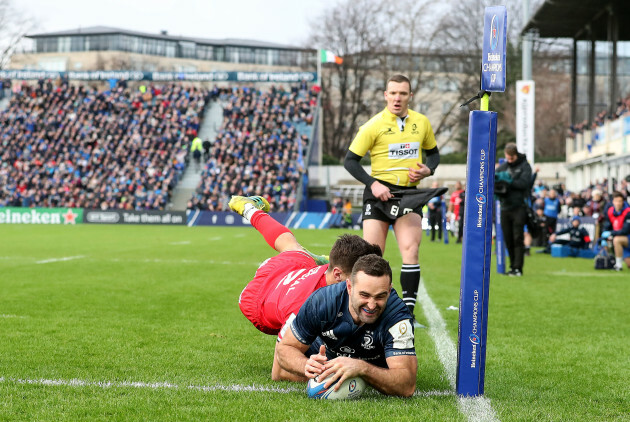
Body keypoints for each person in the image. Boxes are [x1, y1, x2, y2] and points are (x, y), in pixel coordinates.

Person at [227, 195, 383, 374]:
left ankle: (248, 208)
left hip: (293, 271)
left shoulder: (335, 279)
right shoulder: (304, 306)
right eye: (356, 278)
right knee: (318, 340)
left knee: (294, 249)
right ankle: (249, 209)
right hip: (257, 299)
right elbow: (279, 371)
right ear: (339, 275)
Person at [343, 74, 443, 324]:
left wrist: (428, 170)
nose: (398, 98)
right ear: (385, 95)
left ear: (410, 95)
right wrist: (372, 183)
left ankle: (408, 315)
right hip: (378, 194)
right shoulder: (373, 125)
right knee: (372, 257)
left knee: (411, 249)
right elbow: (350, 161)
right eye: (393, 93)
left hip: (409, 193)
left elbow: (433, 155)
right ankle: (361, 311)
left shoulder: (422, 122)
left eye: (403, 93)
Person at [275, 254, 417, 397]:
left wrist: (362, 368)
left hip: (373, 366)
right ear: (349, 287)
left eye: (380, 296)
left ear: (389, 289)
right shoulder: (322, 301)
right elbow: (285, 348)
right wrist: (306, 365)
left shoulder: (397, 316)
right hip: (327, 355)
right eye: (364, 295)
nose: (372, 305)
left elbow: (407, 386)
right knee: (278, 372)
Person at [495, 143, 533, 276]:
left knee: (518, 238)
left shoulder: (524, 166)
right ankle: (512, 266)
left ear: (516, 155)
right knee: (508, 238)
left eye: (512, 158)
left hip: (519, 207)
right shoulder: (503, 167)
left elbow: (525, 183)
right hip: (505, 206)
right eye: (508, 158)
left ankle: (518, 268)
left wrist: (509, 182)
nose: (510, 161)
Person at [601, 191, 630, 271]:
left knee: (616, 240)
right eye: (616, 201)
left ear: (623, 202)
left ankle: (618, 265)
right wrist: (603, 236)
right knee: (629, 264)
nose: (618, 203)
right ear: (613, 202)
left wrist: (611, 233)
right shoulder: (610, 211)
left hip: (627, 238)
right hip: (621, 237)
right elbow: (607, 225)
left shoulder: (628, 212)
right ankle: (609, 260)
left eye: (620, 201)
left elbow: (625, 231)